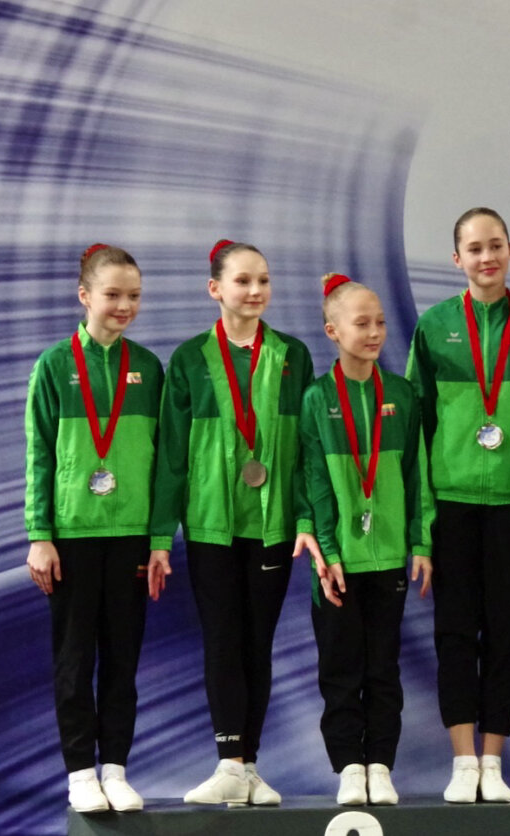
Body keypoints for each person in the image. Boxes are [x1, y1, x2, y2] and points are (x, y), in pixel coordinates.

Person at [149, 239, 317, 805]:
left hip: (273, 526)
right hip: (211, 527)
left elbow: (307, 448)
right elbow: (172, 455)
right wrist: (160, 536)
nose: (255, 291)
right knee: (223, 641)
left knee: (257, 644)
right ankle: (229, 762)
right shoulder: (189, 359)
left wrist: (304, 517)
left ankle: (249, 767)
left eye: (263, 280)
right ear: (215, 289)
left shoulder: (293, 355)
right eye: (243, 281)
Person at [406, 208, 510, 803]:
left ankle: (494, 761)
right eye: (474, 248)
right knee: (455, 634)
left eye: (495, 245)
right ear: (456, 258)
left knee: (506, 637)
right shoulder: (434, 325)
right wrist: (421, 530)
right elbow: (415, 432)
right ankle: (463, 762)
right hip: (453, 505)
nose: (486, 257)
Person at [25, 244, 164, 813]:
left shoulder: (149, 368)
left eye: (134, 295)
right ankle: (81, 772)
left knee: (123, 659)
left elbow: (164, 461)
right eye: (112, 294)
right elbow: (39, 454)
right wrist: (40, 534)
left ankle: (117, 770)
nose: (124, 305)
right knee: (75, 658)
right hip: (72, 536)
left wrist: (158, 539)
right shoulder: (54, 365)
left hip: (131, 534)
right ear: (84, 296)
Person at [300, 273, 429, 806]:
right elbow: (312, 481)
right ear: (333, 330)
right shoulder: (316, 399)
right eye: (362, 323)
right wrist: (328, 552)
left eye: (379, 322)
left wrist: (420, 543)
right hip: (336, 564)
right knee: (339, 668)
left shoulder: (400, 394)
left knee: (383, 668)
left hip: (389, 558)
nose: (375, 332)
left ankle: (380, 763)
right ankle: (350, 767)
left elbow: (416, 474)